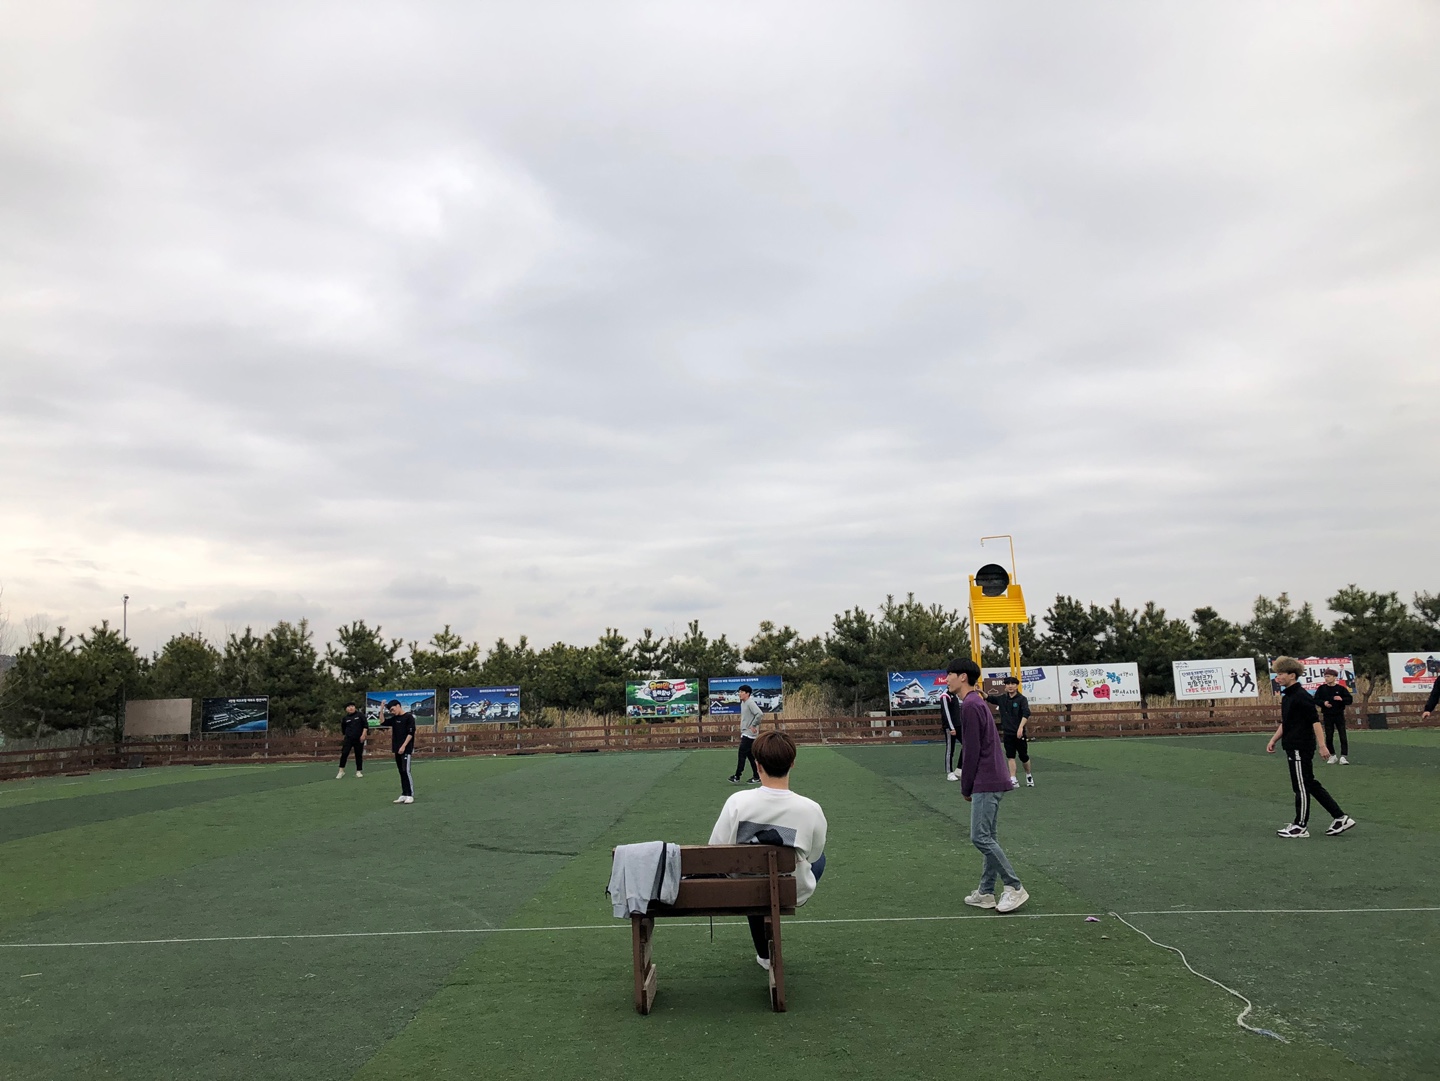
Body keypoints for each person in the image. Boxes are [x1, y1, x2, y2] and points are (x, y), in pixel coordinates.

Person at [709, 731, 828, 972]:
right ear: (792, 763)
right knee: (818, 860)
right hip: (788, 888)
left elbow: (716, 850)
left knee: (754, 878)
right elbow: (814, 855)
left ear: (758, 765)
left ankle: (764, 954)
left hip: (743, 887)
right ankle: (766, 951)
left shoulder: (737, 802)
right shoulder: (811, 809)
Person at [951, 659, 1028, 913]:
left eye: (950, 674)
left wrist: (966, 786)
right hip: (992, 778)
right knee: (989, 837)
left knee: (980, 837)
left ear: (963, 677)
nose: (946, 679)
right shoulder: (975, 702)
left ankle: (1014, 887)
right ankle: (986, 892)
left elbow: (971, 750)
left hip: (987, 780)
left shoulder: (971, 705)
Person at [1266, 657, 1354, 838]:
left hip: (1300, 747)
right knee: (1310, 783)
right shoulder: (1288, 696)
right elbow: (1286, 722)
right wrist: (1273, 739)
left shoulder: (1301, 696)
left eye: (1281, 674)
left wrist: (1322, 746)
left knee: (1301, 786)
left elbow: (1315, 722)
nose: (1277, 677)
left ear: (1292, 675)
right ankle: (1340, 817)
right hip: (1292, 746)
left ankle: (1300, 826)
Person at [986, 676, 1033, 788]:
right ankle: (1013, 778)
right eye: (1008, 684)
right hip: (1008, 733)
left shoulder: (1022, 699)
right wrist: (980, 691)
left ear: (1017, 686)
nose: (1010, 686)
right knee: (1010, 756)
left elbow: (1026, 713)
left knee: (1023, 756)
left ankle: (1028, 775)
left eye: (1013, 684)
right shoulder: (1002, 698)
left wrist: (1020, 728)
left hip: (1019, 733)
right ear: (1005, 686)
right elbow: (989, 698)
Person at [379, 699, 417, 804]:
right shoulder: (394, 719)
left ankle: (410, 794)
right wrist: (381, 709)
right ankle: (404, 793)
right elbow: (382, 722)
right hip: (397, 748)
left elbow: (410, 733)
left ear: (398, 706)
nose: (392, 712)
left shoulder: (409, 717)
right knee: (401, 771)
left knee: (406, 771)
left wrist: (403, 746)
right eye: (390, 711)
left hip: (406, 749)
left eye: (393, 709)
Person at [1312, 668, 1353, 765]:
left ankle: (1343, 756)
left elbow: (1349, 700)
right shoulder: (1322, 689)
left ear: (1334, 677)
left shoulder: (1341, 689)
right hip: (1327, 715)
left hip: (1339, 715)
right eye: (1325, 676)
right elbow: (1316, 700)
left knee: (1342, 736)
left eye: (1328, 676)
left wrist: (1341, 699)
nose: (1326, 678)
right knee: (1329, 736)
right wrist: (1324, 703)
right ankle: (1332, 755)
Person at [729, 685, 763, 784]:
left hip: (749, 734)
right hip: (745, 732)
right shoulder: (743, 703)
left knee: (742, 754)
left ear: (747, 694)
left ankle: (737, 776)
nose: (739, 694)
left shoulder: (750, 703)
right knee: (751, 757)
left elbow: (759, 714)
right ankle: (757, 776)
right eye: (739, 691)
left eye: (742, 692)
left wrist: (753, 725)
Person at [939, 681, 963, 781]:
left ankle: (959, 769)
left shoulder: (956, 695)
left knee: (967, 744)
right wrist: (951, 727)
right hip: (950, 727)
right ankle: (949, 772)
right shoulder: (945, 695)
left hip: (959, 725)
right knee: (950, 749)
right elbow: (946, 713)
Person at [336, 701, 366, 779]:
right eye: (349, 707)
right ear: (346, 709)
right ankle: (341, 771)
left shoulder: (360, 715)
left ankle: (358, 771)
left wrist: (363, 735)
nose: (351, 708)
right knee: (344, 753)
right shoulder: (345, 718)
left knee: (358, 754)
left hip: (359, 738)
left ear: (355, 707)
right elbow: (343, 729)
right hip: (348, 739)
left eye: (352, 706)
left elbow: (365, 726)